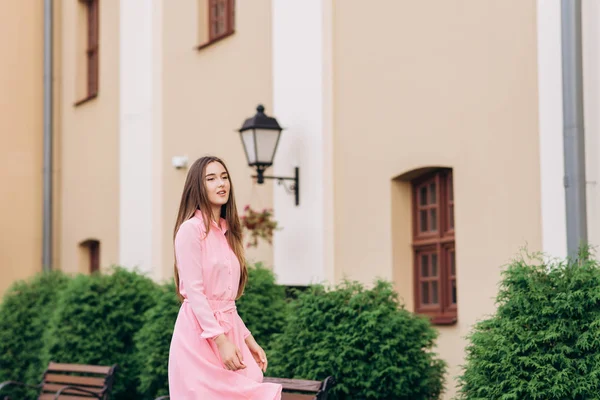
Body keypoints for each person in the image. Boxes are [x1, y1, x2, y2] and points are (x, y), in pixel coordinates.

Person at [168, 156, 282, 399]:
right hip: (199, 338)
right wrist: (220, 342)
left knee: (252, 386)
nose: (221, 183)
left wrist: (248, 339)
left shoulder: (227, 232)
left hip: (228, 332)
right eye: (211, 178)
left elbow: (225, 303)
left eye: (224, 176)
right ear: (197, 187)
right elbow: (196, 294)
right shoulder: (190, 230)